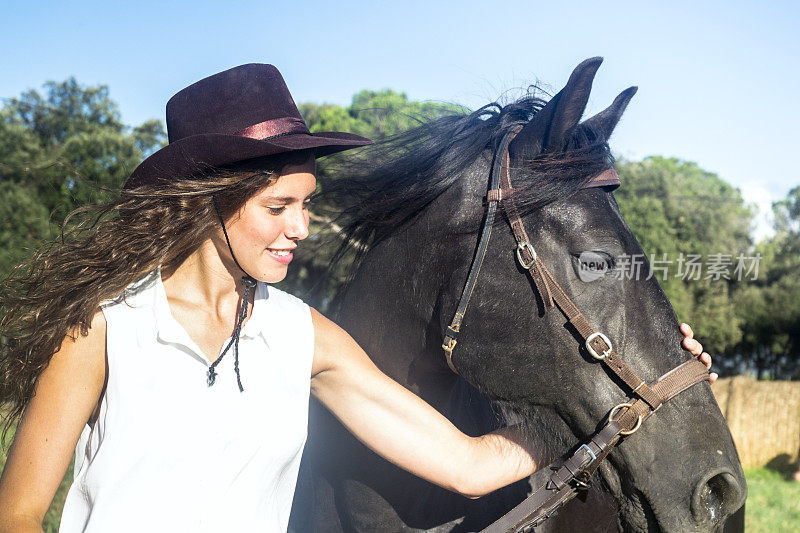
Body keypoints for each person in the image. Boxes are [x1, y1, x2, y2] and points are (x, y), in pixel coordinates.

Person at [0, 64, 715, 532]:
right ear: (207, 202)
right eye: (279, 206)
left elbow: (467, 465)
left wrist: (639, 377)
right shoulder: (103, 326)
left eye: (307, 205)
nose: (300, 230)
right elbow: (20, 513)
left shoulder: (300, 335)